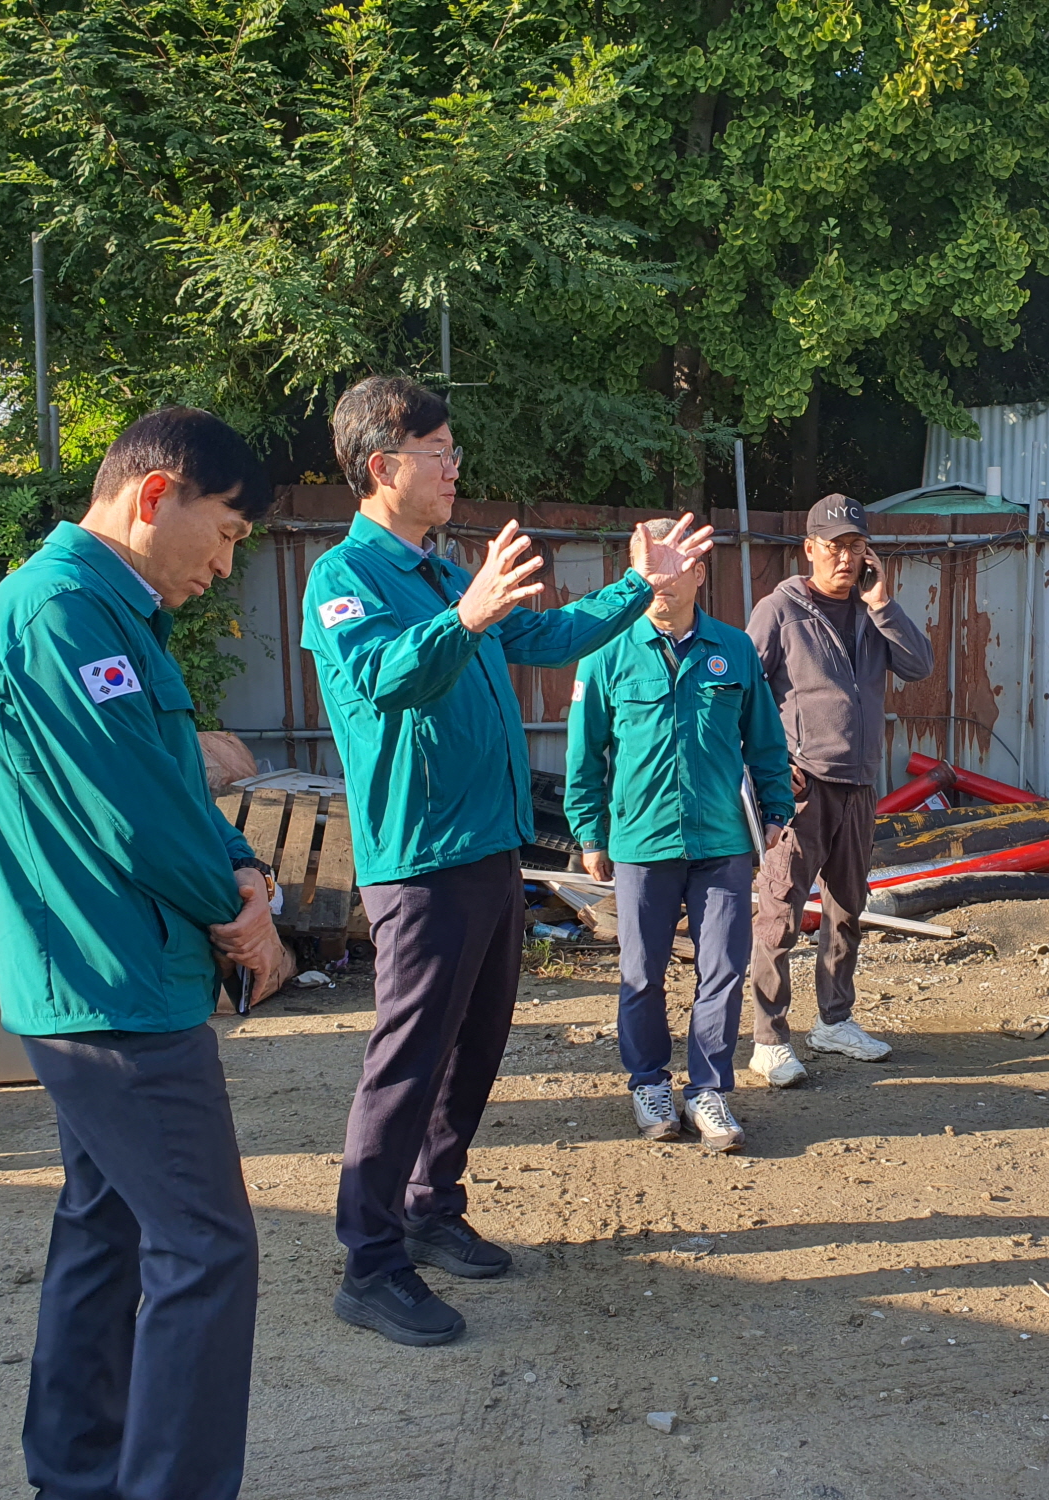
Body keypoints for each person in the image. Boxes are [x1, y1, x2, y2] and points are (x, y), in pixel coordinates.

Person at [303, 375, 712, 1346]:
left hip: (489, 853)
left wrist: (639, 587)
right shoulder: (344, 581)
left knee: (476, 1046)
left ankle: (429, 1206)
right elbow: (383, 681)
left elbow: (552, 635)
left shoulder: (447, 574)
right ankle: (368, 1261)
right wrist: (467, 619)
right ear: (380, 467)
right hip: (417, 860)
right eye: (437, 452)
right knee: (406, 1062)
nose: (454, 467)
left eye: (452, 451)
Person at [0, 408, 288, 1500]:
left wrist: (241, 865)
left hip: (116, 975)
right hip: (110, 989)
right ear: (155, 498)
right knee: (206, 1250)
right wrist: (239, 912)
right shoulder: (60, 613)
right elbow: (135, 814)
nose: (227, 560)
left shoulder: (111, 617)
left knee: (106, 1229)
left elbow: (172, 787)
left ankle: (78, 1472)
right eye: (229, 531)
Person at [565, 519, 793, 1151]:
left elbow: (765, 742)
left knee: (721, 970)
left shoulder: (734, 649)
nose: (662, 579)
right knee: (642, 972)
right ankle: (648, 1083)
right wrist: (589, 832)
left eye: (675, 564)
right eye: (648, 564)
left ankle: (709, 1091)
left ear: (700, 571)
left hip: (722, 842)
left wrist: (776, 811)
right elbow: (584, 756)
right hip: (642, 843)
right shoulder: (606, 651)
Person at [747, 493, 934, 1085]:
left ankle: (834, 1021)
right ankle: (769, 1038)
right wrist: (770, 765)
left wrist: (884, 604)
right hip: (800, 790)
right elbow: (742, 695)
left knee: (847, 908)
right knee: (778, 911)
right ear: (810, 549)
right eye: (834, 547)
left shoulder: (873, 613)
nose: (846, 559)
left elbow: (920, 666)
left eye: (856, 547)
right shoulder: (780, 610)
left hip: (859, 784)